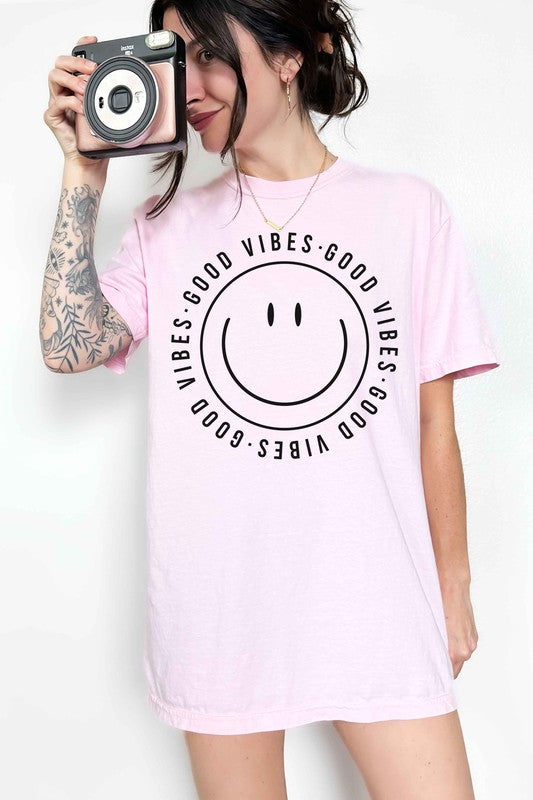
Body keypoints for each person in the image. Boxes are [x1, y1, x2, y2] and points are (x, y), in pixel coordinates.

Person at [41, 1, 501, 798]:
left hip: (375, 599)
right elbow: (67, 345)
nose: (188, 85)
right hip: (220, 609)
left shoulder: (407, 210)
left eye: (208, 55)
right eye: (174, 57)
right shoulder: (164, 226)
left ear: (291, 57)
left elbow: (434, 422)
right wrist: (83, 170)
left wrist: (452, 590)